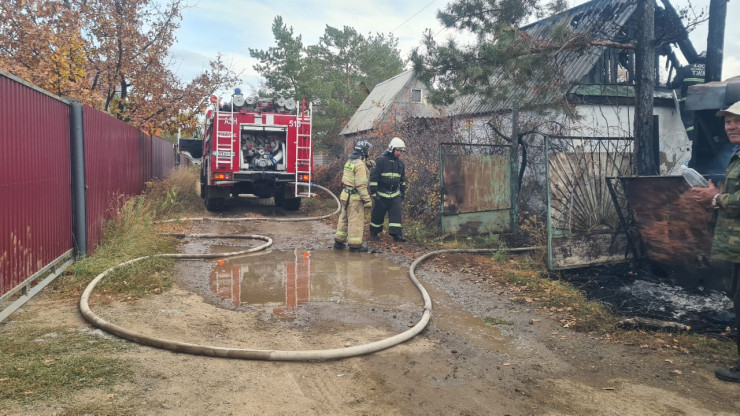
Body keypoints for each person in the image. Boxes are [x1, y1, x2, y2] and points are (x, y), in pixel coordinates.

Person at [690, 100, 740, 383]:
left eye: (738, 121)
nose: (731, 126)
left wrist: (716, 197)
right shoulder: (736, 155)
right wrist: (715, 196)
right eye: (728, 121)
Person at [334, 140, 373, 253]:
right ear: (364, 151)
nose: (369, 152)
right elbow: (361, 185)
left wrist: (367, 165)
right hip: (355, 198)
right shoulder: (360, 165)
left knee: (344, 219)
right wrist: (367, 200)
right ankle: (355, 246)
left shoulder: (350, 161)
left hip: (345, 195)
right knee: (355, 221)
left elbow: (354, 172)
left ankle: (339, 242)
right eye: (368, 150)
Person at [369, 137, 407, 242]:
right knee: (378, 214)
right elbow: (374, 178)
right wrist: (374, 193)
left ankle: (397, 234)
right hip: (381, 194)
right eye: (398, 150)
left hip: (395, 194)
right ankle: (374, 232)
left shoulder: (401, 164)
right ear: (391, 149)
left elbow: (402, 180)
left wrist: (402, 193)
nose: (399, 153)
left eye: (401, 151)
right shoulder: (381, 161)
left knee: (396, 214)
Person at [671, 52, 706, 141]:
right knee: (703, 122)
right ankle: (701, 140)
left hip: (688, 101)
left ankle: (692, 139)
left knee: (689, 123)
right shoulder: (710, 71)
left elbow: (675, 84)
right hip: (704, 102)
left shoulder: (686, 68)